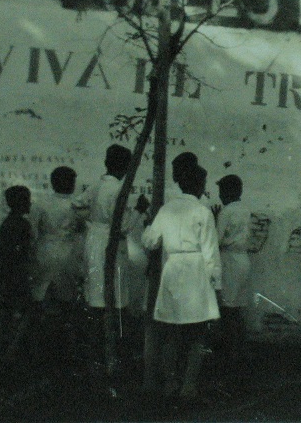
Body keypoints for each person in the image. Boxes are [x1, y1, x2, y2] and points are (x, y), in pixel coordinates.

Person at [142, 164, 222, 400]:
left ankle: (170, 383)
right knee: (197, 333)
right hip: (196, 271)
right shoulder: (202, 212)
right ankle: (189, 385)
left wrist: (149, 226)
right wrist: (216, 286)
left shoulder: (167, 209)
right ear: (198, 185)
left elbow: (150, 242)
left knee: (172, 331)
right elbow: (211, 252)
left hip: (173, 268)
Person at [72, 144, 147, 375]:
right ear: (125, 167)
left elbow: (76, 205)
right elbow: (122, 228)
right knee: (114, 297)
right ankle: (112, 354)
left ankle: (97, 354)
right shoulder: (119, 190)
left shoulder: (96, 186)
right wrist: (139, 211)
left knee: (96, 296)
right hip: (111, 245)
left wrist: (91, 223)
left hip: (94, 240)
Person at [33, 167, 82, 365]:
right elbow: (81, 229)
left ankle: (41, 349)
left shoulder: (40, 203)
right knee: (65, 302)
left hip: (45, 253)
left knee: (41, 299)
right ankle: (61, 350)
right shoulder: (77, 204)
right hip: (67, 254)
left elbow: (33, 230)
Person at [215, 174, 252, 370]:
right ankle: (241, 349)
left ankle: (231, 353)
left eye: (222, 192)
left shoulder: (226, 212)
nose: (220, 196)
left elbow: (217, 240)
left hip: (229, 259)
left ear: (229, 192)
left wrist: (214, 221)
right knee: (237, 308)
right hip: (243, 259)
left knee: (228, 308)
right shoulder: (245, 211)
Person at [0, 186, 35, 366]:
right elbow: (22, 254)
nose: (30, 203)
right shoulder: (21, 224)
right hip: (16, 276)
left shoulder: (7, 223)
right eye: (27, 200)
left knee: (8, 315)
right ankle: (10, 355)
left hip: (7, 276)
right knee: (19, 314)